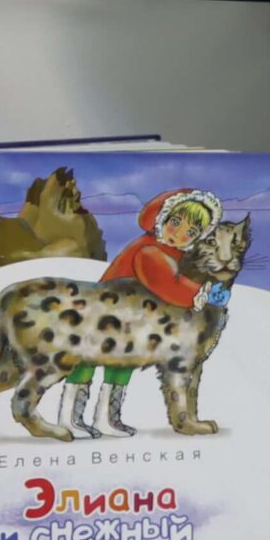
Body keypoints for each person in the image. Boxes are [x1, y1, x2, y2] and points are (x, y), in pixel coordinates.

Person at [68, 187, 221, 437]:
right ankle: (71, 418)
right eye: (175, 223)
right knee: (86, 359)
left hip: (132, 322)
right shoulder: (150, 250)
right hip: (104, 315)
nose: (179, 234)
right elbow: (169, 286)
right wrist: (203, 293)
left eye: (191, 232)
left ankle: (107, 418)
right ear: (162, 218)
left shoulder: (174, 254)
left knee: (122, 364)